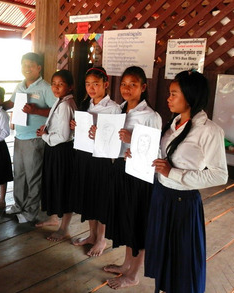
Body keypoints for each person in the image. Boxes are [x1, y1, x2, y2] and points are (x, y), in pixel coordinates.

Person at [145, 70, 228, 293]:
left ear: (190, 97)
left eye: (174, 94)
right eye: (169, 94)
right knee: (164, 255)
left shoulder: (209, 131)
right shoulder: (173, 123)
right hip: (162, 196)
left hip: (183, 202)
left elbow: (220, 175)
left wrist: (174, 173)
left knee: (181, 261)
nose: (168, 98)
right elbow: (162, 160)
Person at [102, 66, 162, 289]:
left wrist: (133, 139)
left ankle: (134, 273)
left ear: (143, 88)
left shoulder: (151, 116)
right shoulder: (119, 110)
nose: (127, 89)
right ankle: (127, 264)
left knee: (137, 222)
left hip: (140, 178)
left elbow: (156, 152)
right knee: (126, 219)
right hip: (120, 170)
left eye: (133, 85)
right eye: (124, 84)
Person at [70, 66, 121, 257]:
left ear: (105, 85)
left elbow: (116, 137)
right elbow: (81, 132)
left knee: (101, 198)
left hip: (102, 159)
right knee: (88, 196)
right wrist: (75, 126)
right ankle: (91, 235)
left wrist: (100, 134)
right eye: (88, 84)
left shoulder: (114, 108)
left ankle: (102, 239)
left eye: (96, 84)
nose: (91, 88)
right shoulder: (85, 104)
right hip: (84, 155)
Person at [3, 52, 56, 223]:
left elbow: (55, 110)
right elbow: (11, 103)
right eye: (23, 64)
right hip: (19, 135)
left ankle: (31, 211)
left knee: (33, 176)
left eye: (30, 65)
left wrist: (36, 111)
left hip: (35, 138)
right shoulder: (20, 86)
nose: (26, 68)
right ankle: (19, 205)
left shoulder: (46, 88)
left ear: (39, 68)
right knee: (19, 173)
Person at [35, 69, 77, 241]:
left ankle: (64, 228)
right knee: (54, 185)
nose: (56, 87)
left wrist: (44, 136)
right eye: (54, 84)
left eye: (61, 84)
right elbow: (56, 127)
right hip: (54, 149)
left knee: (63, 188)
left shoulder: (66, 105)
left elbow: (64, 136)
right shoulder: (59, 101)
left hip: (62, 152)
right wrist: (45, 130)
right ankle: (54, 218)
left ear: (70, 87)